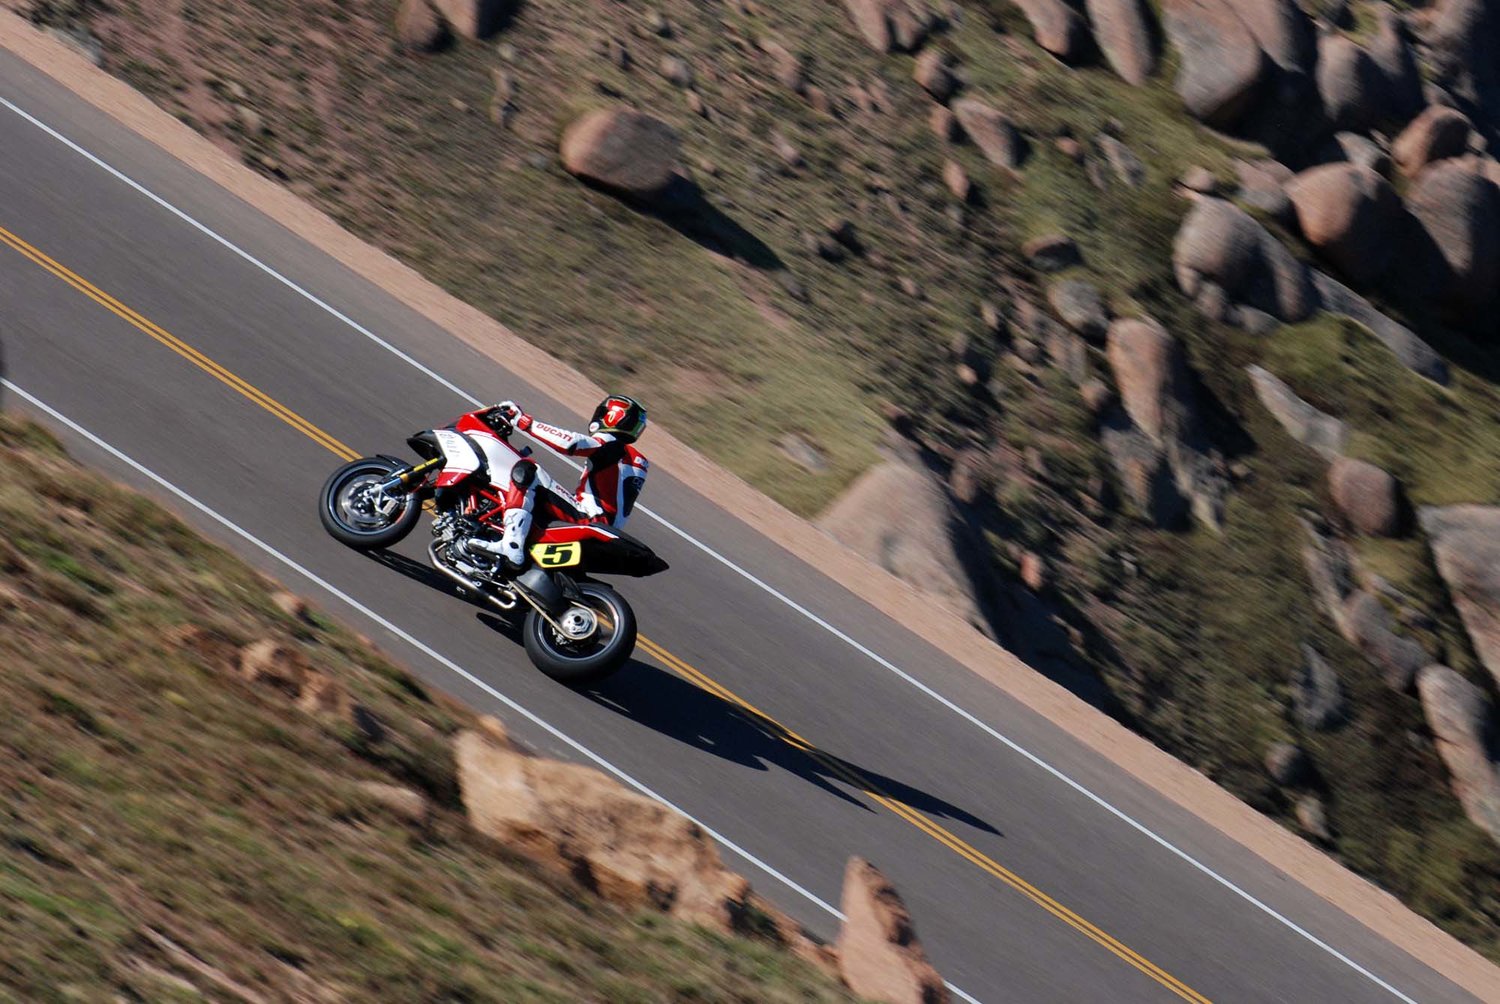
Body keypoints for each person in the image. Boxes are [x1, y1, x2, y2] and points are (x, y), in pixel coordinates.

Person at [493, 394, 650, 530]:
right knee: (541, 499)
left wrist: (523, 421)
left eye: (602, 412)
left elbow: (570, 443)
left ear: (613, 417)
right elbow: (608, 495)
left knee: (528, 470)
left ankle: (512, 546)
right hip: (608, 526)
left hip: (590, 517)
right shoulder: (637, 460)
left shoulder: (610, 443)